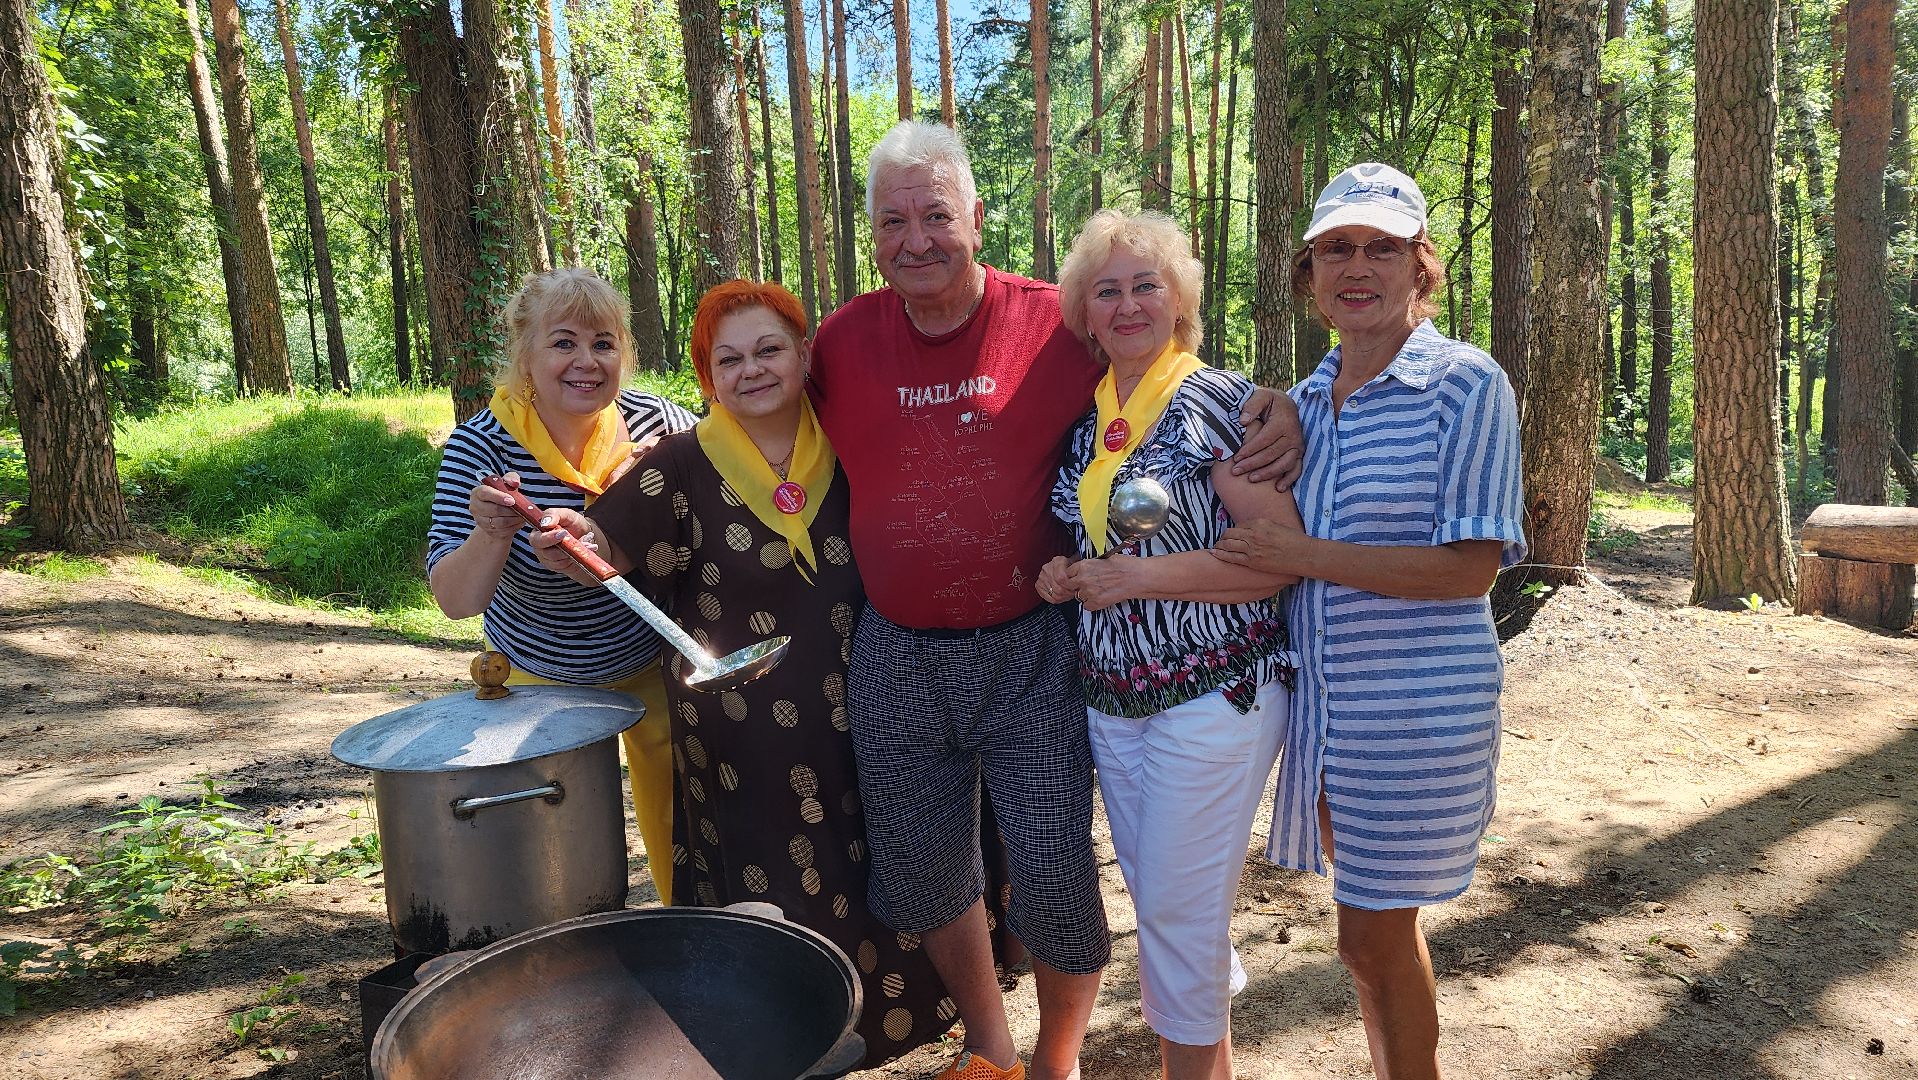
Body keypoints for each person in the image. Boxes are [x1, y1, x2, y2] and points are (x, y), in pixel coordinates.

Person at [807, 119, 1302, 1080]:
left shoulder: (1054, 325)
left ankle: (1057, 1061)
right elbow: (753, 409)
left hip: (1039, 652)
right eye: (893, 221)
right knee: (925, 864)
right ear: (871, 234)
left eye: (936, 215)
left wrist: (1277, 403)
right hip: (903, 648)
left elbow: (1177, 373)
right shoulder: (841, 340)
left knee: (1057, 872)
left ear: (975, 217)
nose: (916, 239)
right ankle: (990, 1047)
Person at [528, 281, 970, 1067]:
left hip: (870, 709)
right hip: (742, 736)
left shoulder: (854, 437)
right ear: (708, 378)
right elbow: (607, 544)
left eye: (769, 350)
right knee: (774, 896)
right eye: (727, 360)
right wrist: (575, 540)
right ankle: (787, 1045)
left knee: (881, 860)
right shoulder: (681, 463)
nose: (751, 370)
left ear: (804, 355)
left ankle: (890, 1021)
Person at [1212, 163, 1527, 1080]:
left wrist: (1302, 555)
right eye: (1336, 249)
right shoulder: (1307, 402)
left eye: (1381, 249)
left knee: (1374, 938)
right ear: (1309, 272)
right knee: (1368, 938)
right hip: (1327, 717)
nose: (1358, 267)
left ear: (1419, 265)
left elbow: (1470, 570)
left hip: (1416, 715)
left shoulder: (1467, 385)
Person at [1039, 209, 1302, 1080]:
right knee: (1168, 909)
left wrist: (1135, 579)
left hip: (1215, 693)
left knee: (1177, 917)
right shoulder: (1089, 425)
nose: (1127, 305)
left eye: (1145, 285)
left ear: (1179, 298)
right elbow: (1100, 550)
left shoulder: (1222, 405)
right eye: (1106, 291)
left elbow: (1278, 562)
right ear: (1084, 313)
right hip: (1115, 702)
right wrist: (1066, 573)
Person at [426, 267, 694, 906]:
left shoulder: (658, 424)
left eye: (603, 343)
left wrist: (655, 493)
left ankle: (687, 930)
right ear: (526, 356)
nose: (586, 362)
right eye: (563, 342)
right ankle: (566, 948)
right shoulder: (482, 446)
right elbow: (455, 601)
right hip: (538, 674)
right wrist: (491, 533)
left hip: (653, 662)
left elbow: (722, 501)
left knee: (683, 828)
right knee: (549, 840)